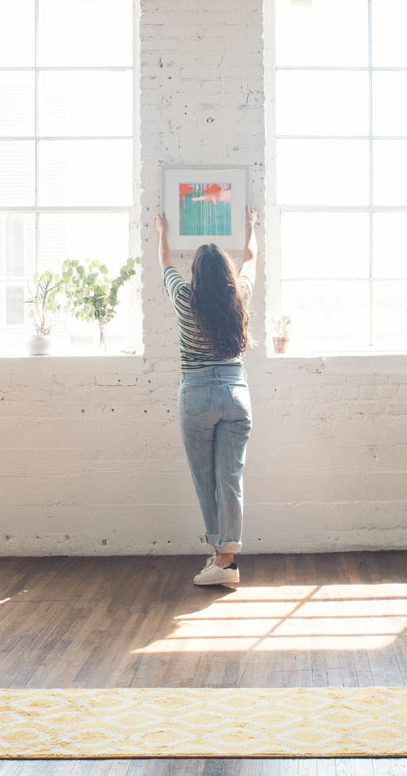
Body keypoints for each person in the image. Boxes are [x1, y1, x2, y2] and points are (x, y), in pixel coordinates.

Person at [154, 208, 258, 587]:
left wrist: (162, 229)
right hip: (235, 392)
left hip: (197, 394)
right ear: (226, 277)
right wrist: (251, 226)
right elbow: (251, 259)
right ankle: (225, 560)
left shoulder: (185, 299)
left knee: (205, 480)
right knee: (230, 479)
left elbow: (164, 262)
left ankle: (224, 562)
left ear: (197, 275)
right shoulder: (239, 298)